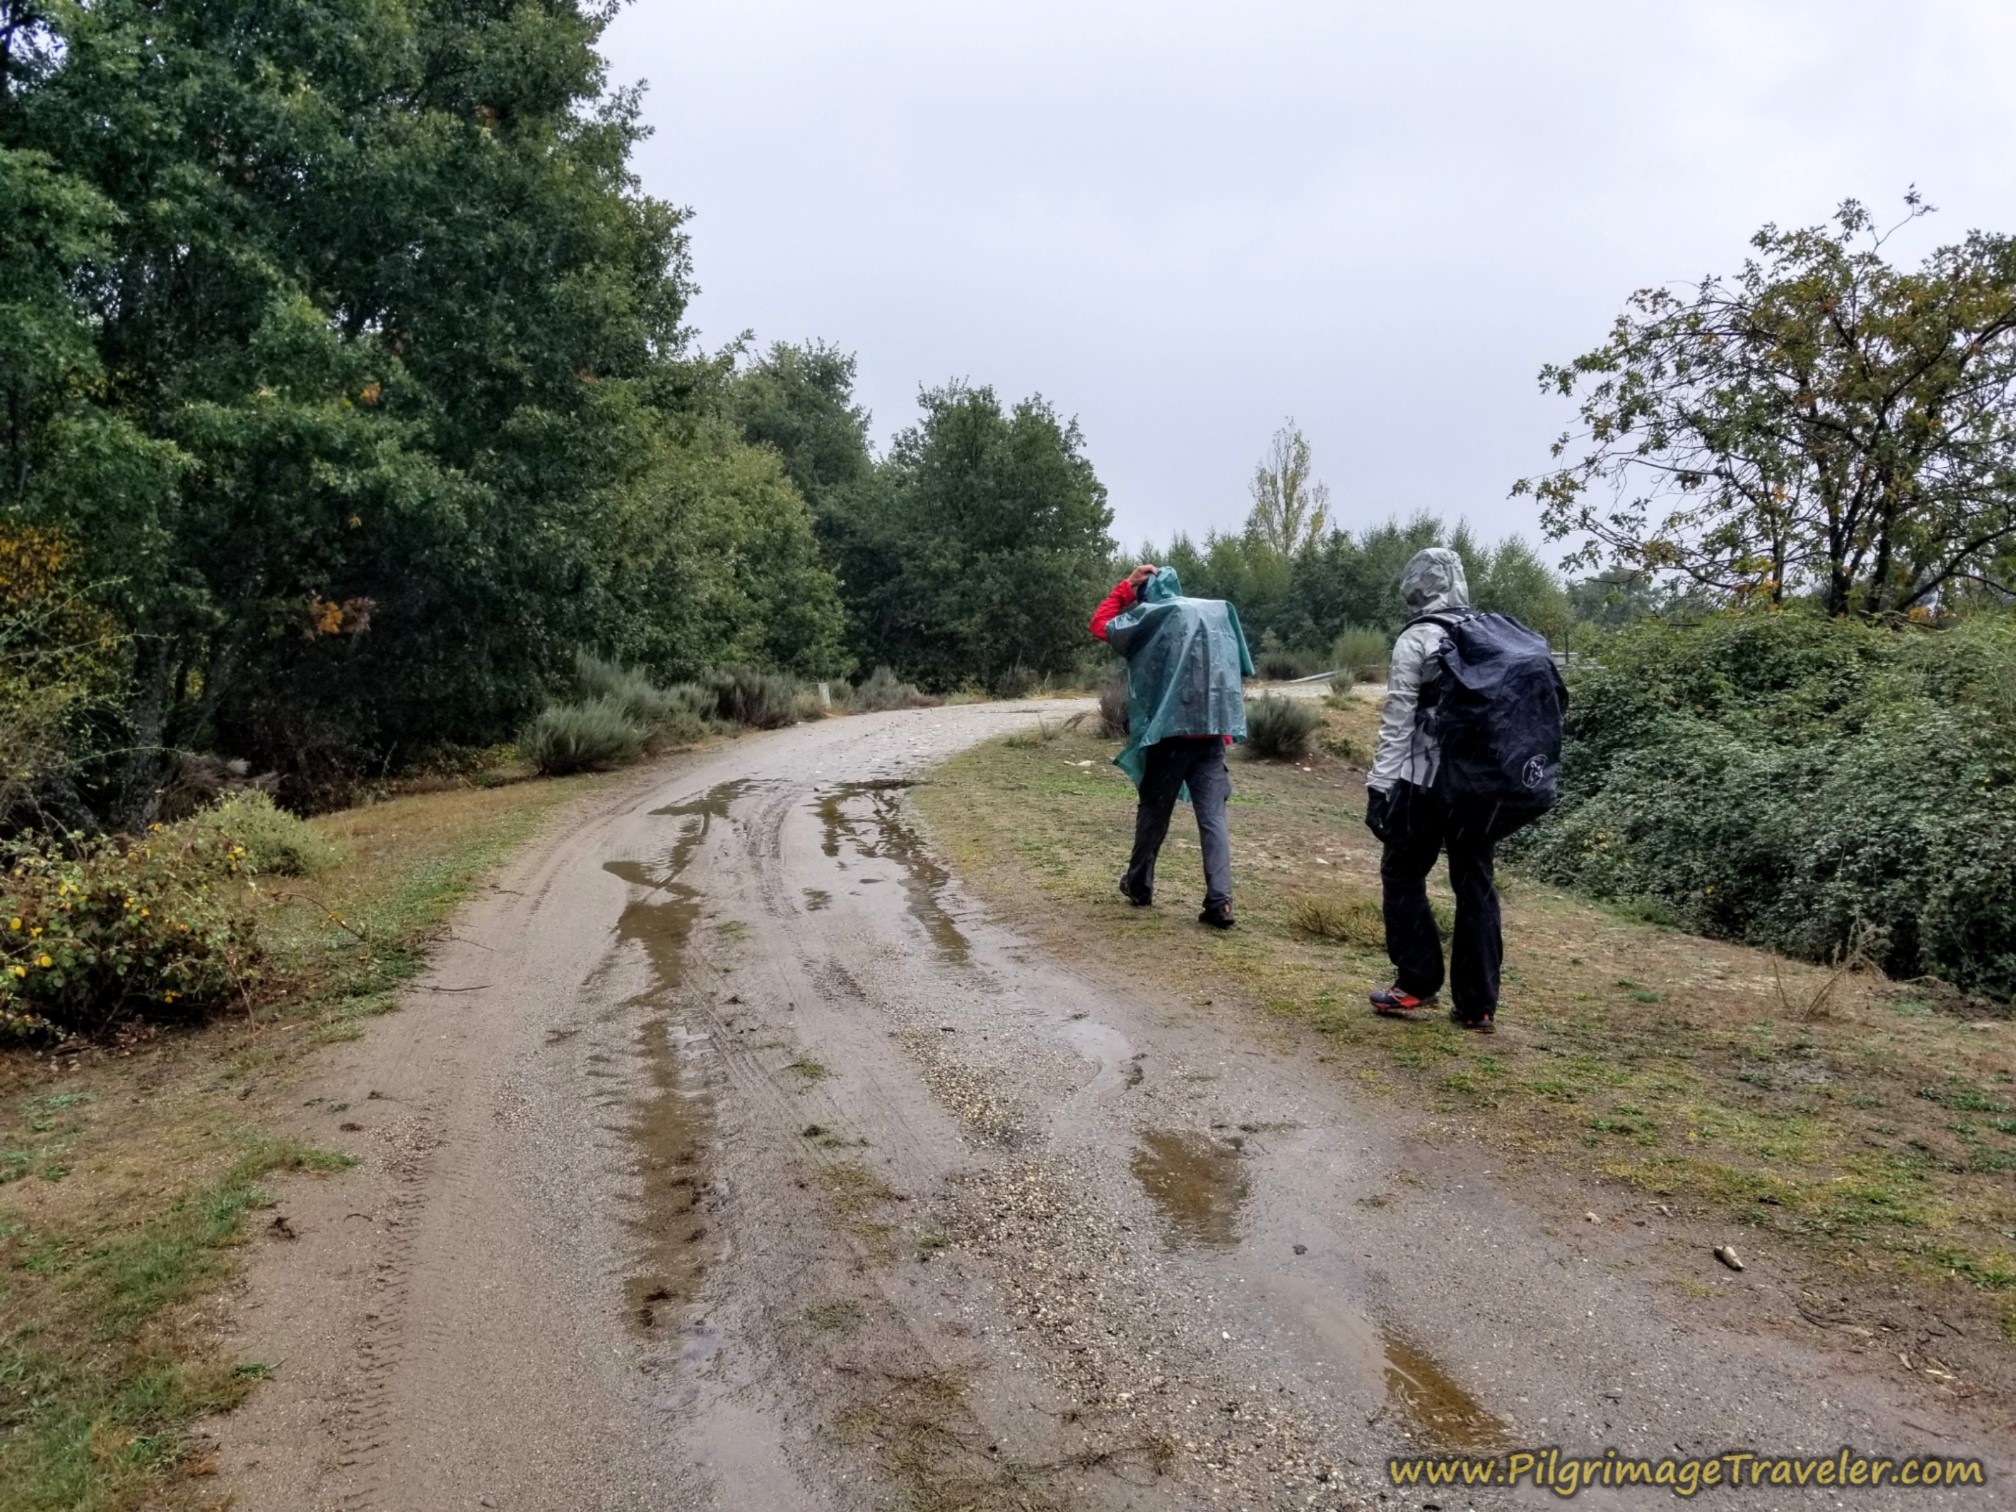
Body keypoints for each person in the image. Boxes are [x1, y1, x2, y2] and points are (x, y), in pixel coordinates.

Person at [1363, 547, 1502, 1032]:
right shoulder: (1487, 631)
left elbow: (1399, 717)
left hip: (1425, 781)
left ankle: (1416, 981)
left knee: (1402, 871)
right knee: (1476, 884)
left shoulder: (1419, 637)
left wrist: (1379, 786)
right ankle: (1478, 1004)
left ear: (1419, 584)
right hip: (1481, 785)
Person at [1090, 563, 1254, 929]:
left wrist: (1126, 588)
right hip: (1212, 735)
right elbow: (1239, 666)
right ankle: (1220, 901)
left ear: (1148, 592)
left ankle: (1139, 884)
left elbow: (1100, 624)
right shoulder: (1216, 612)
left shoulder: (1155, 615)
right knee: (1213, 819)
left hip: (1169, 736)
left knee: (1153, 811)